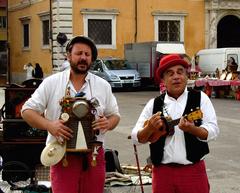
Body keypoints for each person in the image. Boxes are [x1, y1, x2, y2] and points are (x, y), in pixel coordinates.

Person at [21, 36, 120, 193]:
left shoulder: (103, 86)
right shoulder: (51, 83)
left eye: (87, 55)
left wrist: (108, 123)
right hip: (62, 155)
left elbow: (115, 115)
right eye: (78, 53)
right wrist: (50, 125)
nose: (83, 58)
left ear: (92, 59)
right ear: (68, 55)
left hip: (94, 156)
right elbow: (27, 111)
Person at [131, 54, 219, 193]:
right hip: (162, 173)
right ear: (163, 80)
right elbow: (136, 138)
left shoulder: (200, 98)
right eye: (170, 74)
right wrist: (149, 128)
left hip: (193, 171)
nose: (176, 77)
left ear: (186, 76)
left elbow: (213, 131)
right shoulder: (154, 104)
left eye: (180, 72)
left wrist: (192, 129)